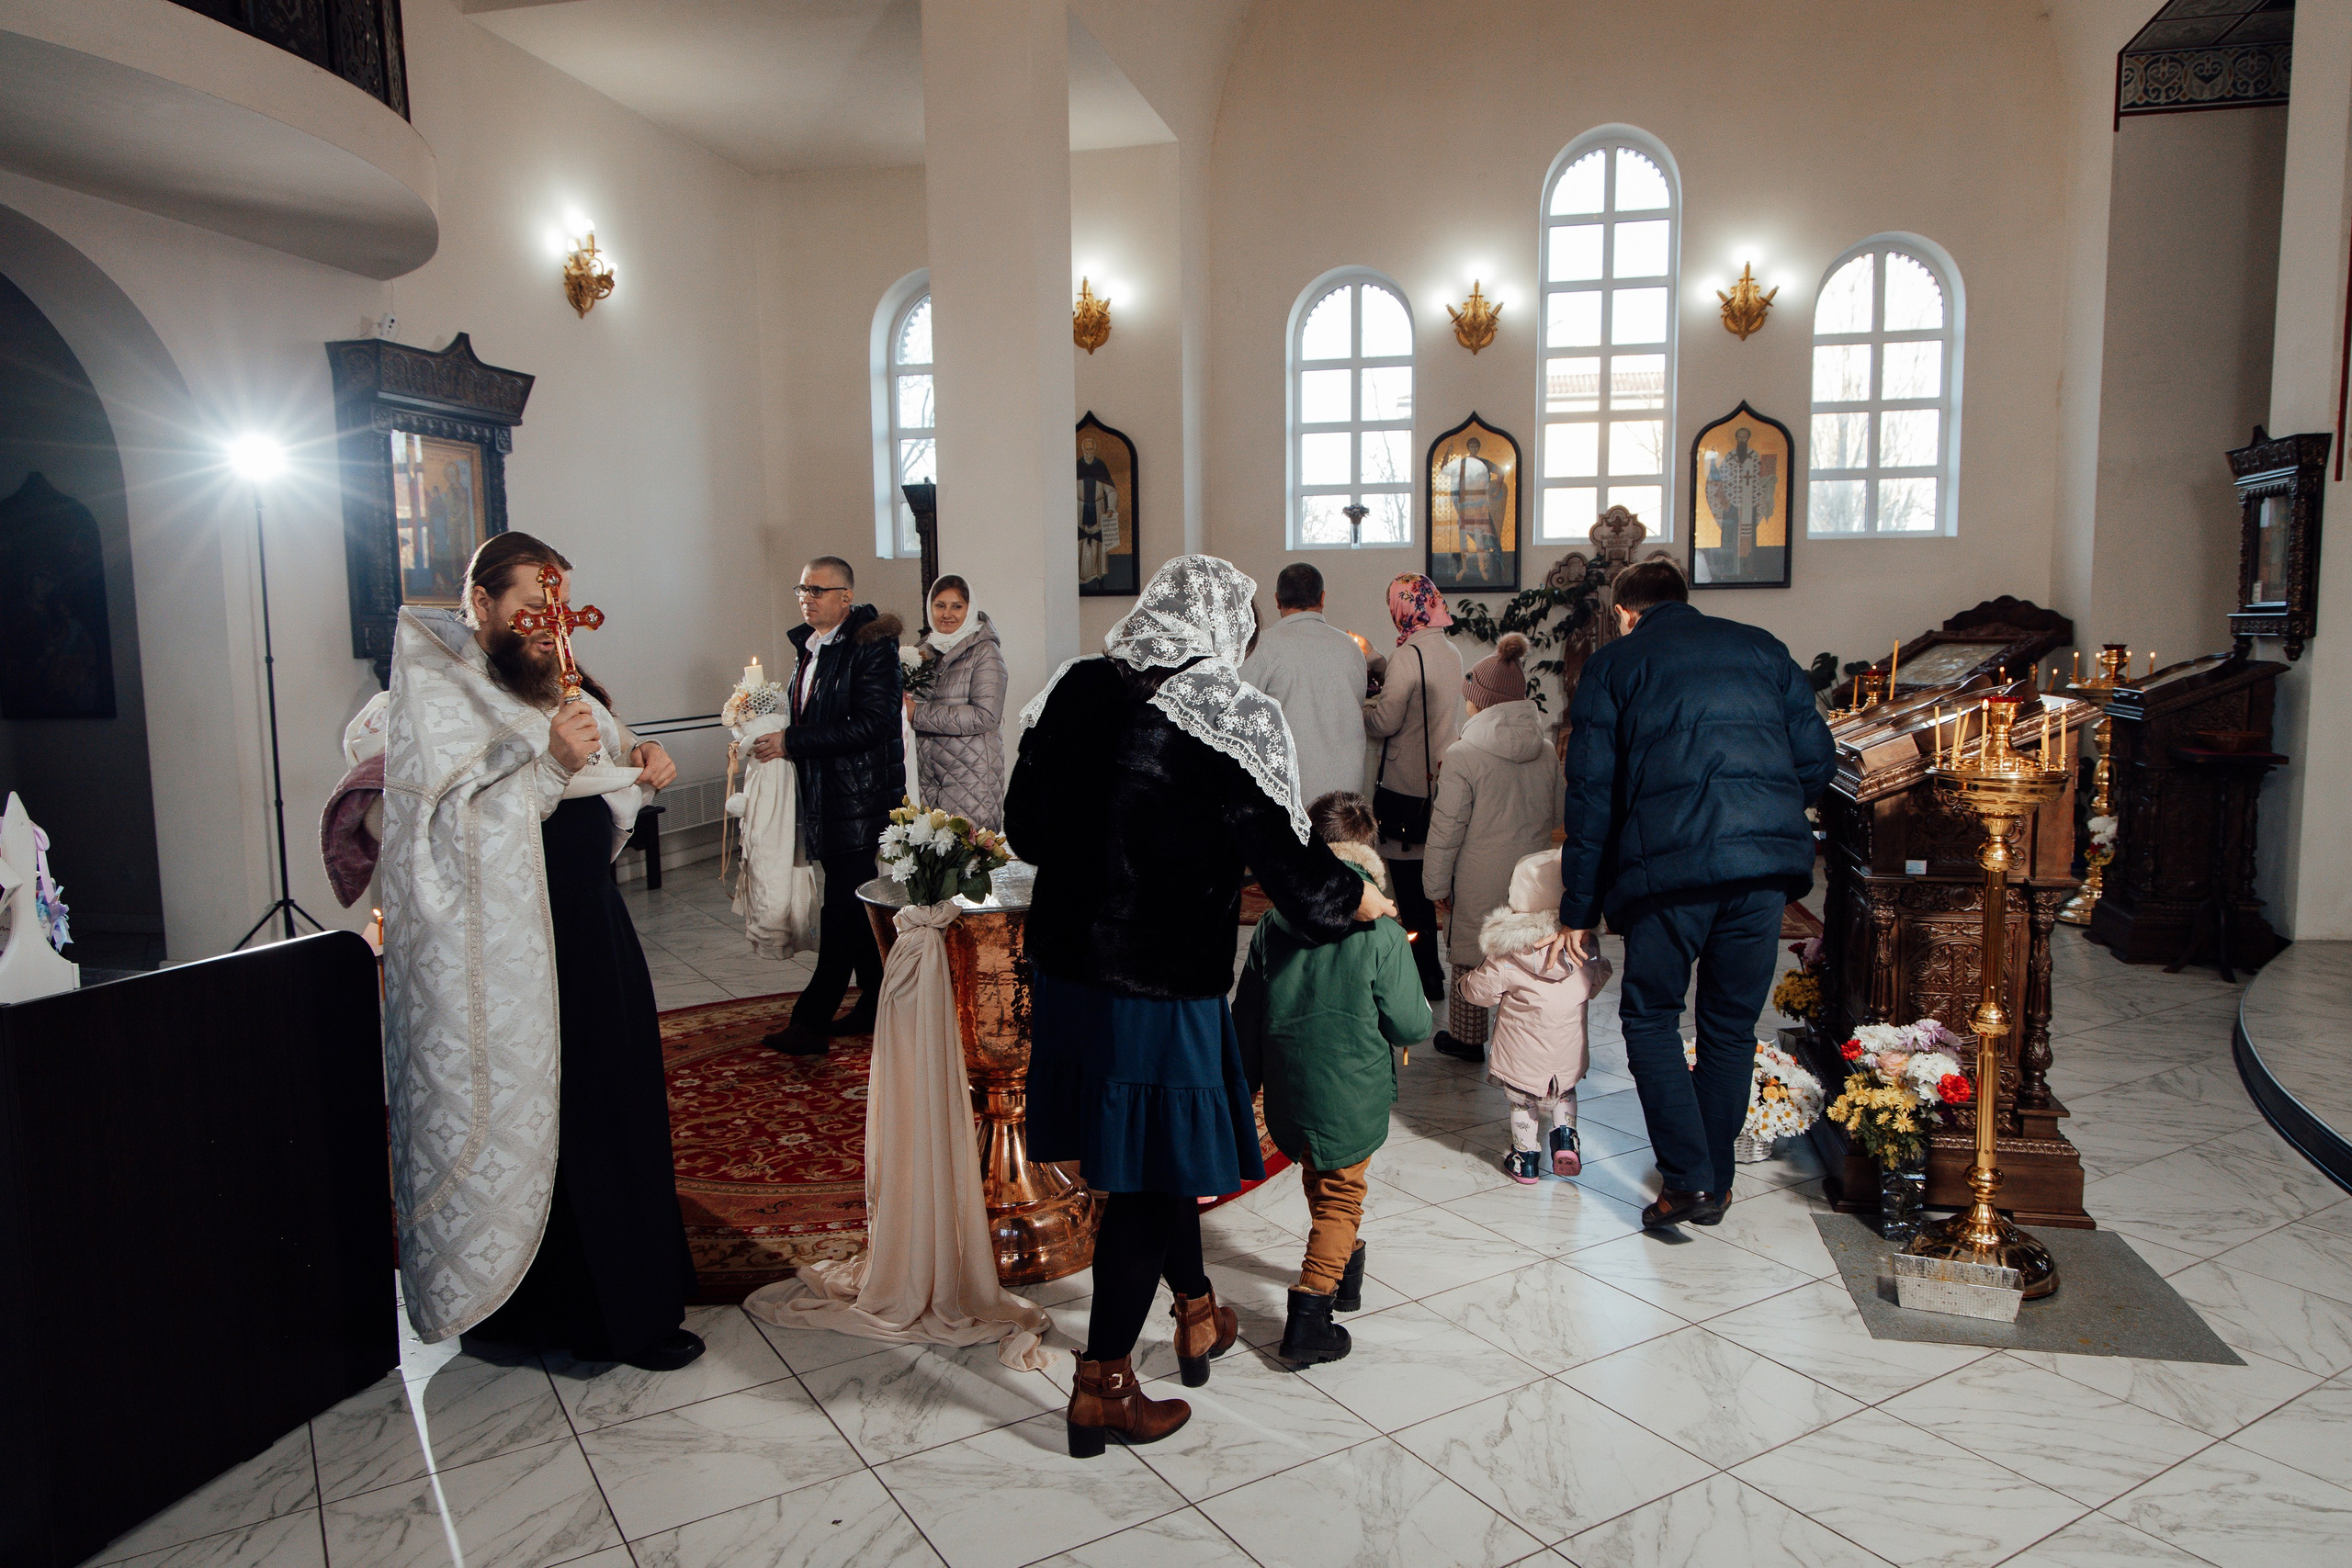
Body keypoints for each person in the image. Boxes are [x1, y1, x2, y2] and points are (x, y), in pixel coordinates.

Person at [1007, 555, 1394, 1457]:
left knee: (1150, 1166)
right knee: (1153, 1180)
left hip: (1067, 974)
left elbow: (1025, 829)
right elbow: (1297, 881)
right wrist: (1357, 900)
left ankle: (1194, 1312)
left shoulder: (1073, 688)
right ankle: (1102, 1387)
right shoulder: (1227, 711)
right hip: (1156, 985)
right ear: (1227, 629)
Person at [379, 532, 703, 1371]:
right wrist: (553, 768)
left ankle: (640, 1298)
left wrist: (638, 763)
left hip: (589, 920)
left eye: (554, 611)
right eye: (529, 609)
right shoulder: (444, 695)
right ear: (479, 603)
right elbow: (444, 830)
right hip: (513, 947)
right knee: (568, 1114)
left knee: (618, 1098)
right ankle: (576, 1319)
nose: (545, 628)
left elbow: (603, 763)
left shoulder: (551, 680)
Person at [1554, 559, 1835, 1228]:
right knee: (1730, 1027)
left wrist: (1577, 909)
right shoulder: (1761, 647)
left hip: (1666, 872)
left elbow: (1590, 795)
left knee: (1651, 1017)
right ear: (1684, 599)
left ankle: (1688, 1180)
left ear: (1625, 613)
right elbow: (1818, 760)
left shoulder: (1616, 665)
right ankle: (1716, 1179)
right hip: (1762, 874)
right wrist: (1761, 811)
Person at [1236, 791, 1429, 1369]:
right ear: (1368, 853)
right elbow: (1411, 1023)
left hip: (1290, 1093)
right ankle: (1310, 1316)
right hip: (1351, 1090)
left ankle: (1347, 1265)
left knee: (1324, 1174)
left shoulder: (1273, 924)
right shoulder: (1381, 933)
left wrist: (1244, 1085)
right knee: (1342, 1194)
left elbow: (1246, 1016)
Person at [751, 556, 905, 1056]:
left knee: (839, 909)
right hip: (828, 797)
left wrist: (793, 741)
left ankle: (810, 1022)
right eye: (802, 589)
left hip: (860, 799)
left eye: (818, 590)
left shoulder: (871, 645)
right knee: (856, 905)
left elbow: (875, 723)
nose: (807, 597)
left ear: (846, 596)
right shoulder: (811, 647)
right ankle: (878, 1003)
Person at [1422, 633, 1558, 1064]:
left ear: (1480, 701)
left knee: (1470, 956)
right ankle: (1521, 1037)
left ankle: (1467, 1038)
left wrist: (1435, 885)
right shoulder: (1548, 751)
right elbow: (1557, 816)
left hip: (1478, 875)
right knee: (1525, 956)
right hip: (1532, 880)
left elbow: (1447, 829)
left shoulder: (1463, 754)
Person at [1456, 852, 1611, 1183]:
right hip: (1568, 1051)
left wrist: (1463, 983)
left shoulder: (1509, 954)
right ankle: (1566, 1139)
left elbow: (1480, 992)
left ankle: (1525, 1158)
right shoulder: (1585, 945)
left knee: (1522, 1102)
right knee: (1564, 1092)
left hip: (1521, 1055)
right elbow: (1598, 978)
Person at [1363, 573, 1464, 1009]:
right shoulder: (1450, 650)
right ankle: (1442, 973)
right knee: (1434, 883)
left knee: (1409, 891)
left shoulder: (1408, 657)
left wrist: (1362, 706)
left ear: (1402, 607)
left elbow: (1386, 721)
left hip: (1407, 788)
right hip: (1444, 781)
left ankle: (1426, 978)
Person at [1239, 562, 1371, 807]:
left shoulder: (1263, 647)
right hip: (1348, 785)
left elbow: (1240, 717)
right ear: (1322, 599)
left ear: (1278, 600)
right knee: (1344, 847)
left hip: (1291, 784)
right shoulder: (1351, 647)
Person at [905, 575, 1007, 830]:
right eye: (940, 605)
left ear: (969, 609)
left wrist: (918, 713)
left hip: (969, 779)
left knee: (967, 864)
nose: (947, 614)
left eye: (957, 606)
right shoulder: (923, 649)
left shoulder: (985, 652)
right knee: (929, 864)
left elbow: (985, 715)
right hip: (927, 776)